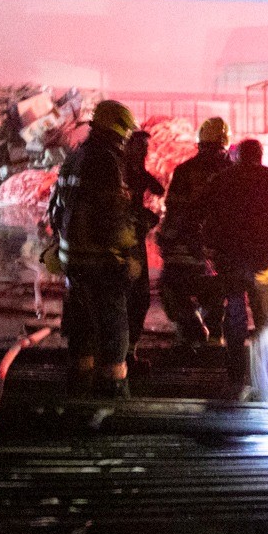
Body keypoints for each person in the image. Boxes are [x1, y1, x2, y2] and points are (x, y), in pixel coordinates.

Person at [50, 99, 140, 396]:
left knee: (81, 323)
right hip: (101, 261)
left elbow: (56, 209)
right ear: (119, 130)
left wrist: (61, 244)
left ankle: (78, 389)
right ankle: (113, 396)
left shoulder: (75, 157)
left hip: (72, 259)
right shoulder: (106, 159)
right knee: (113, 328)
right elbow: (112, 216)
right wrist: (128, 255)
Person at [201, 138, 268, 399]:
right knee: (266, 317)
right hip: (262, 258)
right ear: (259, 156)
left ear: (238, 156)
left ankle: (236, 376)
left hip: (231, 258)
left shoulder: (223, 178)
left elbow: (210, 215)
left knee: (235, 313)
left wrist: (212, 250)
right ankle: (264, 378)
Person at [156, 116, 230, 350]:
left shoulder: (185, 171)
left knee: (173, 290)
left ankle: (192, 331)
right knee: (215, 296)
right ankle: (214, 340)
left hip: (184, 248)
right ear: (225, 142)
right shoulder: (231, 171)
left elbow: (174, 209)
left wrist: (167, 240)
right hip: (218, 250)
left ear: (199, 143)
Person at [123, 129, 164, 371]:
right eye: (141, 148)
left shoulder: (135, 170)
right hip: (124, 243)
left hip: (133, 240)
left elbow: (152, 186)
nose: (145, 153)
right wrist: (145, 217)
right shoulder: (121, 171)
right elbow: (121, 207)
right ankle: (122, 356)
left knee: (139, 298)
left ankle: (127, 352)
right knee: (133, 298)